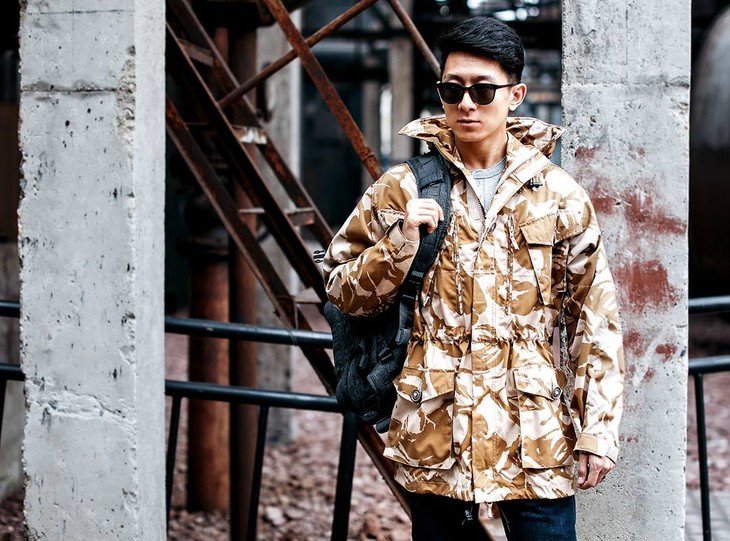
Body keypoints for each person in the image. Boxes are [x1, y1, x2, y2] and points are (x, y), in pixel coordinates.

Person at [323, 15, 624, 541]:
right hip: (436, 432)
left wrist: (597, 430)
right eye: (452, 89)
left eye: (483, 91)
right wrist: (400, 244)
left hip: (534, 438)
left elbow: (593, 319)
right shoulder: (403, 187)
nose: (466, 104)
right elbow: (341, 290)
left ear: (515, 96)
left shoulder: (558, 194)